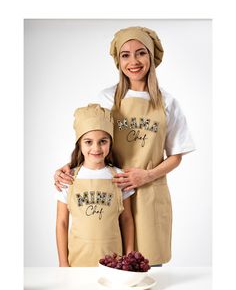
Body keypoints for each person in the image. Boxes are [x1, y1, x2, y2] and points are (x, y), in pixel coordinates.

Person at [54, 26, 195, 266]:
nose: (134, 61)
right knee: (112, 267)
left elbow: (176, 155)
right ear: (118, 61)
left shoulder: (168, 103)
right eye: (125, 55)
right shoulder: (107, 98)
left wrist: (146, 175)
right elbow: (93, 139)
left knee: (148, 267)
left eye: (141, 53)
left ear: (151, 56)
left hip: (151, 196)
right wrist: (67, 168)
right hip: (110, 193)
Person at [56, 103, 134, 267]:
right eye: (88, 142)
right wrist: (63, 262)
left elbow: (127, 220)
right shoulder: (67, 178)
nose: (96, 148)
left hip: (114, 262)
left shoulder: (120, 176)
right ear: (80, 144)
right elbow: (62, 222)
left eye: (103, 141)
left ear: (110, 143)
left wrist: (129, 258)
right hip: (77, 260)